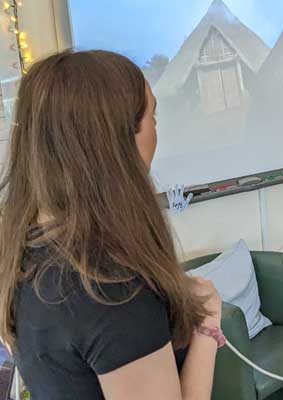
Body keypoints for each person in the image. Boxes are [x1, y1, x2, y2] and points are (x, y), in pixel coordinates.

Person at [0, 50, 223, 400]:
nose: (156, 132)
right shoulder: (110, 289)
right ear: (119, 140)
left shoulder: (22, 250)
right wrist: (208, 326)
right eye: (154, 117)